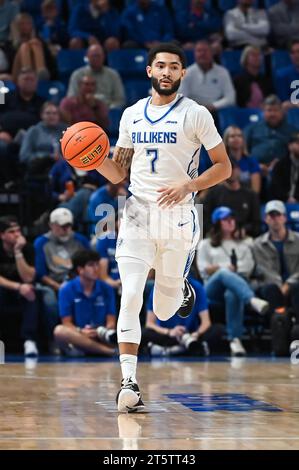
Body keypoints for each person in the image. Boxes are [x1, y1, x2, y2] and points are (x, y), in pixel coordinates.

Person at [95, 43, 232, 412]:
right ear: (150, 71)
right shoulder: (131, 115)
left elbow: (224, 167)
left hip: (180, 216)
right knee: (131, 294)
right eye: (161, 66)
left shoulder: (196, 113)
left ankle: (180, 286)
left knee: (166, 309)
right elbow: (118, 171)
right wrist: (94, 160)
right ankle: (129, 382)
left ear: (183, 73)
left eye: (174, 66)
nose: (167, 72)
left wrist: (189, 185)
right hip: (138, 213)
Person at [197, 206, 269, 356]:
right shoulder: (205, 244)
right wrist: (225, 268)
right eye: (226, 219)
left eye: (232, 218)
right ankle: (251, 299)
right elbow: (204, 269)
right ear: (217, 223)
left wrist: (217, 267)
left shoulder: (245, 242)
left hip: (237, 285)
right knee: (224, 273)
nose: (231, 222)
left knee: (232, 293)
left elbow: (248, 267)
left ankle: (235, 340)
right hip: (212, 288)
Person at [54, 250, 116, 356]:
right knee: (59, 331)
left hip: (100, 335)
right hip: (78, 335)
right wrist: (81, 331)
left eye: (97, 265)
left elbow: (111, 321)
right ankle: (107, 351)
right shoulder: (66, 289)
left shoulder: (107, 289)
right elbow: (66, 323)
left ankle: (89, 349)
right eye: (91, 265)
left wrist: (102, 331)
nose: (96, 269)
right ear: (80, 270)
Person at [143, 276, 223, 357]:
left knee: (218, 330)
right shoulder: (158, 288)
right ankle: (188, 348)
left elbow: (206, 322)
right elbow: (149, 323)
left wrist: (196, 334)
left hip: (191, 334)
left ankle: (171, 350)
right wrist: (169, 332)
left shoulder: (196, 287)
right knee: (144, 333)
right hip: (167, 334)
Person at [252, 200, 299, 322]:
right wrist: (280, 287)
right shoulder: (258, 244)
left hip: (294, 285)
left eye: (278, 215)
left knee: (296, 287)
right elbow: (265, 270)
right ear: (265, 219)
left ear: (284, 217)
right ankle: (280, 323)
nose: (275, 219)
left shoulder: (298, 240)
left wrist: (288, 284)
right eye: (271, 216)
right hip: (273, 288)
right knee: (271, 289)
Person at [0, 216, 38, 356]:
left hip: (23, 288)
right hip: (7, 287)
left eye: (18, 230)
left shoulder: (27, 248)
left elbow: (28, 277)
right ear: (2, 235)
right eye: (12, 231)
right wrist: (17, 286)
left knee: (31, 293)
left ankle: (29, 340)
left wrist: (18, 253)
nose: (17, 234)